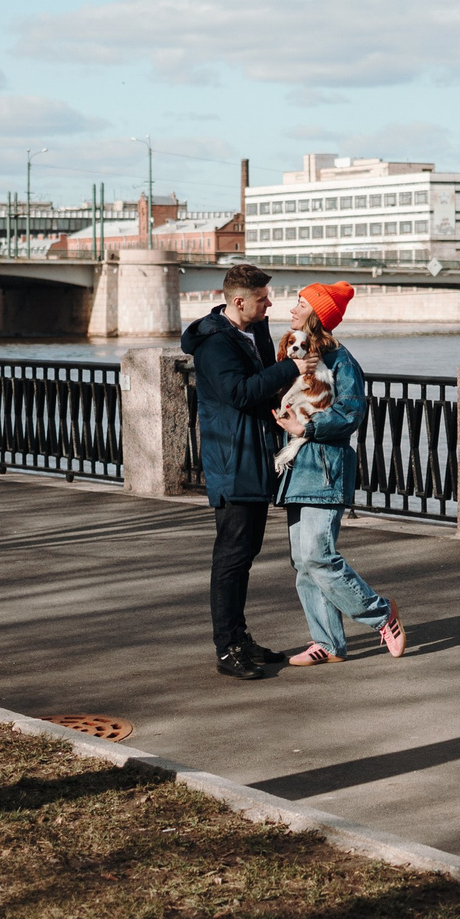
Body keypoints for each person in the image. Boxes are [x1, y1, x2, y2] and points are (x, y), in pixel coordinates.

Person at [273, 282, 406, 665]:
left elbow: (350, 412)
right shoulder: (296, 352)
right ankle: (328, 644)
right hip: (297, 470)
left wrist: (308, 428)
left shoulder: (340, 360)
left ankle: (382, 614)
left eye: (299, 302)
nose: (292, 307)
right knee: (303, 562)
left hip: (325, 468)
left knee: (319, 555)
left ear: (317, 314)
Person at [180, 262, 298, 679]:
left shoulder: (254, 331)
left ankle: (239, 637)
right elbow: (239, 393)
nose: (271, 303)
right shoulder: (215, 344)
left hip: (253, 453)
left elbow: (264, 384)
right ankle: (226, 648)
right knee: (230, 557)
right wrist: (293, 369)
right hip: (232, 459)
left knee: (245, 553)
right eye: (264, 299)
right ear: (239, 301)